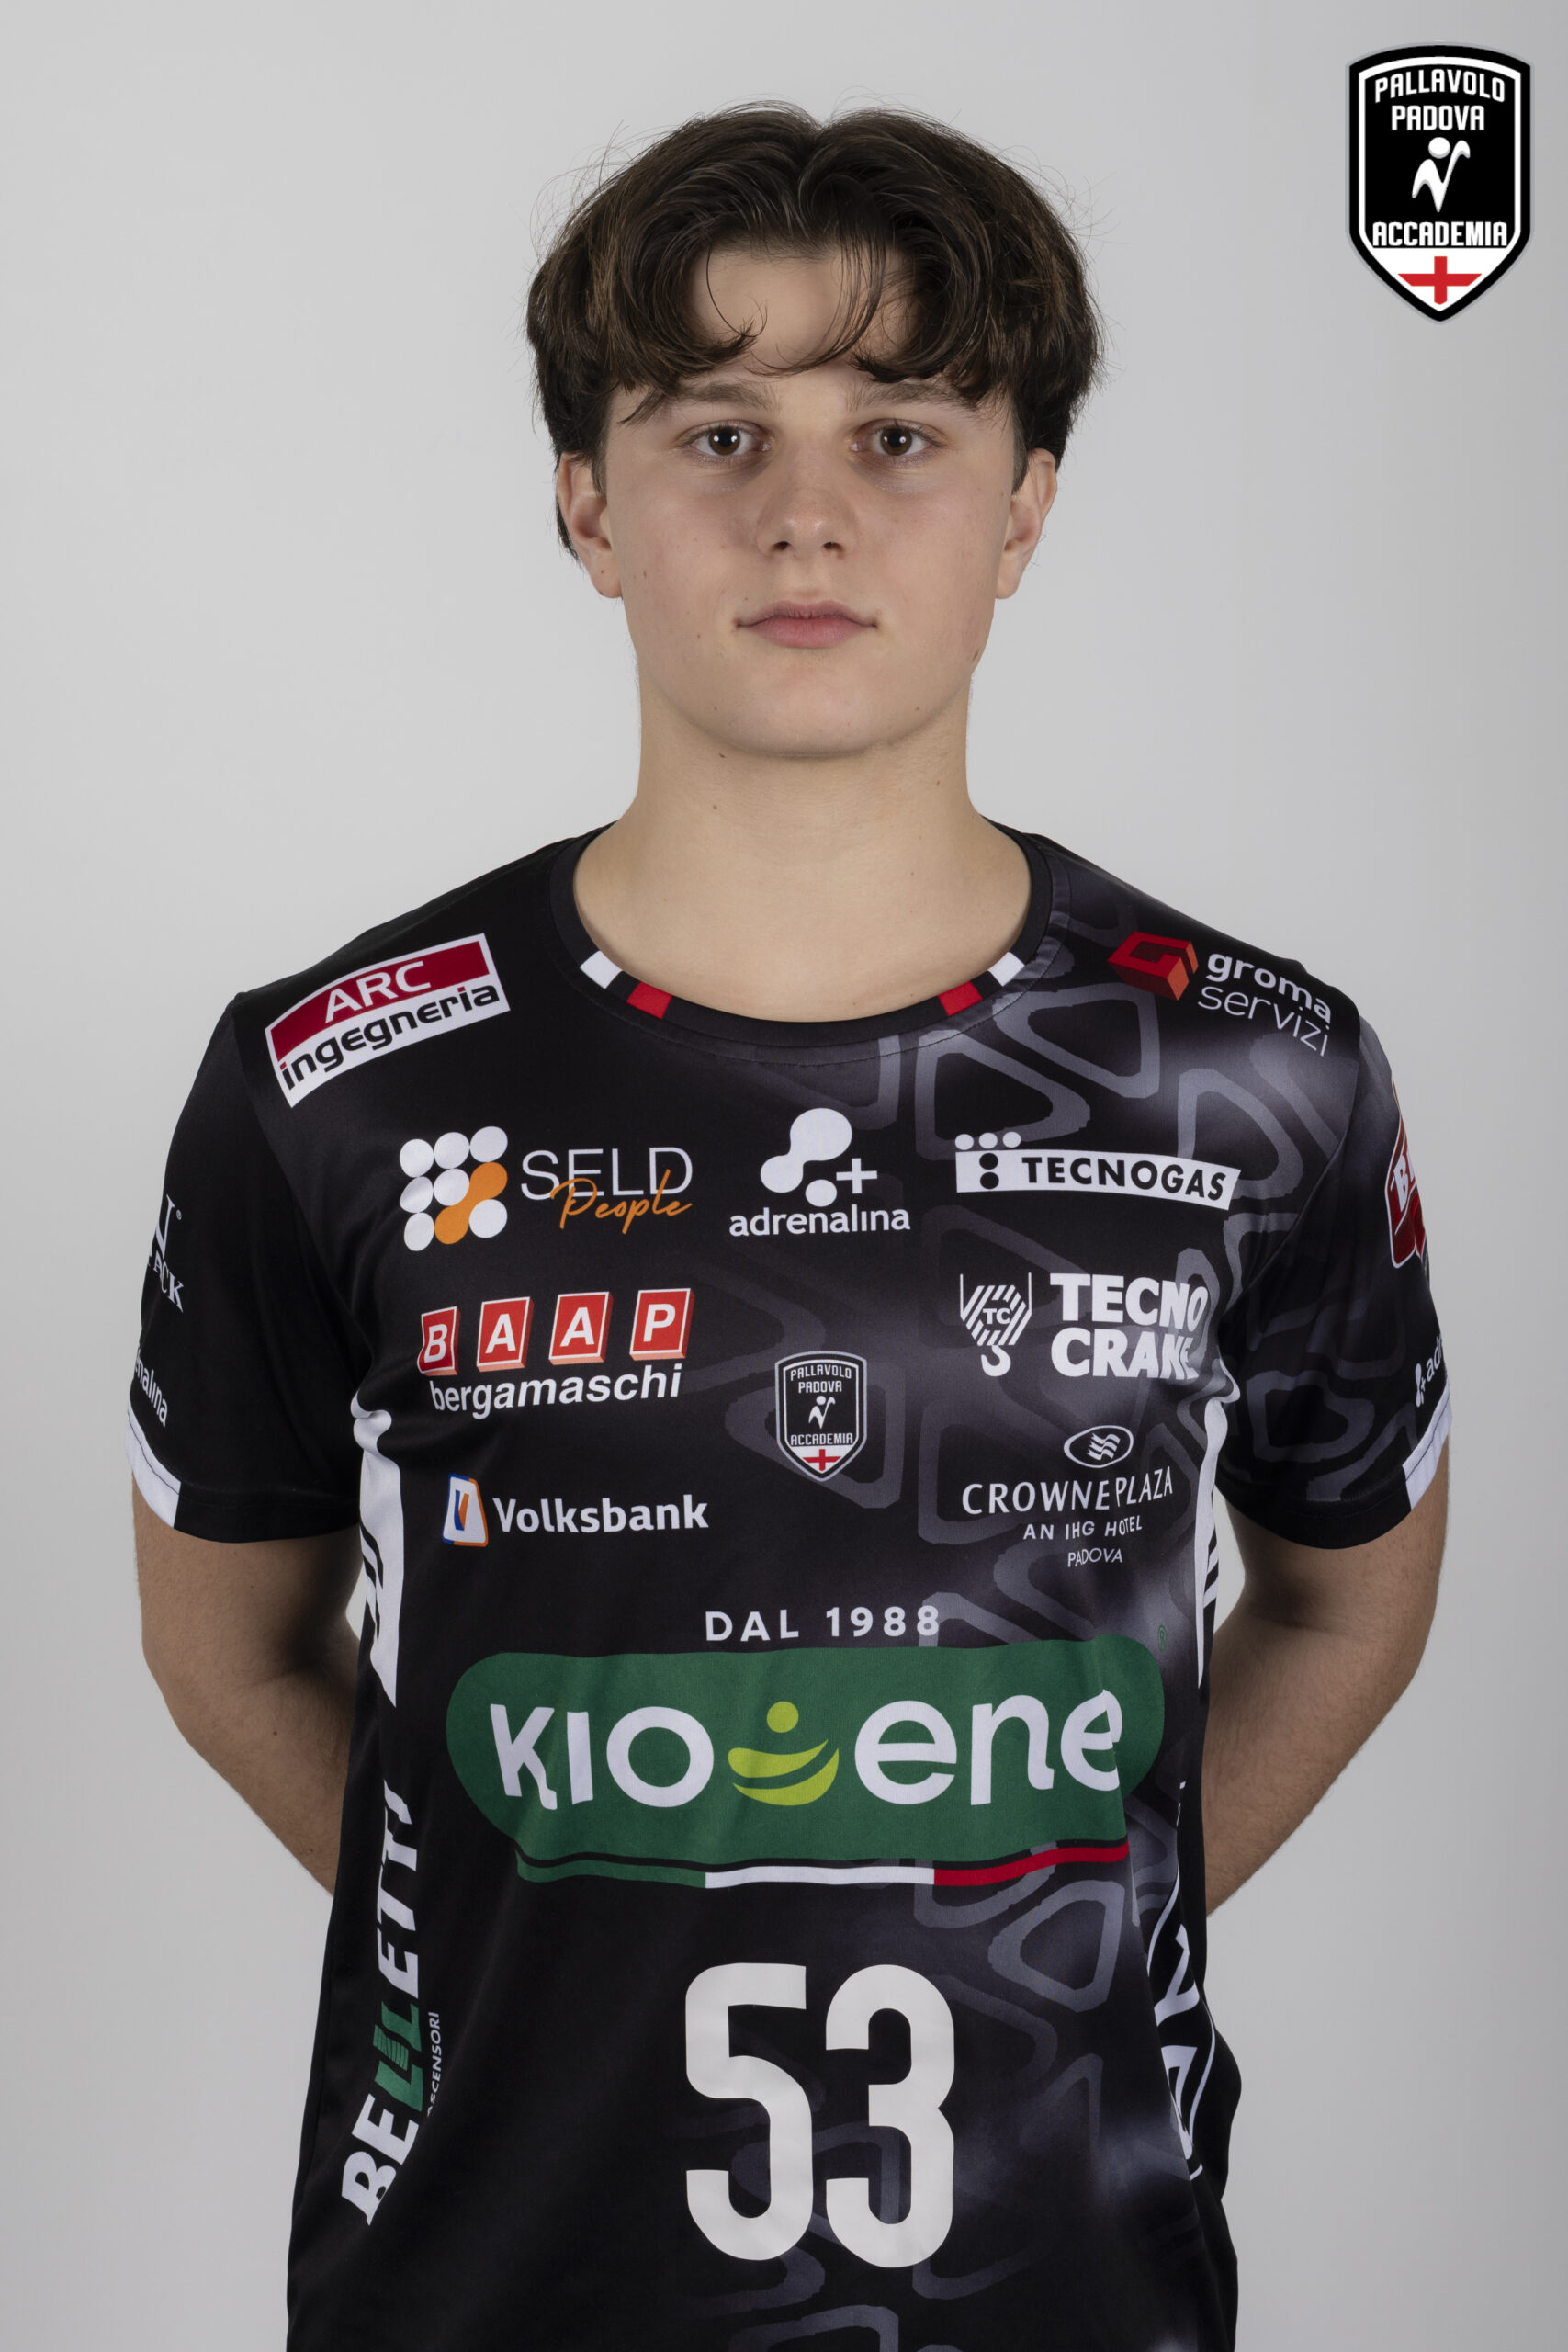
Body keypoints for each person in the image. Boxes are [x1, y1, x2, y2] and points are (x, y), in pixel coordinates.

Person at [128, 103, 1449, 2351]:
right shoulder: (337, 1075)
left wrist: (1057, 1930)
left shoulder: (1253, 1068)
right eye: (716, 430)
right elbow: (225, 1643)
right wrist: (544, 1933)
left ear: (1023, 506)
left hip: (1065, 2282)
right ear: (588, 502)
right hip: (485, 2289)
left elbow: (1343, 1597)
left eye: (901, 433)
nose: (806, 512)